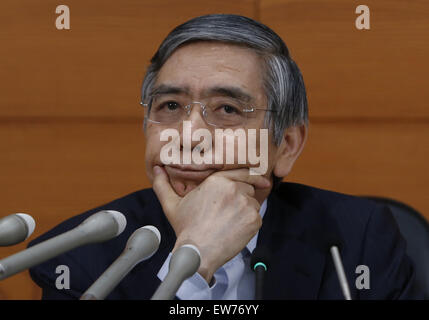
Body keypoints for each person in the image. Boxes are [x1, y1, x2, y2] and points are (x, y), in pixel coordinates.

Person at [28, 14, 422, 299]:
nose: (189, 134)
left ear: (285, 146)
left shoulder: (359, 238)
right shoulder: (82, 254)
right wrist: (193, 265)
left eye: (227, 110)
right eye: (169, 106)